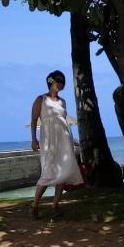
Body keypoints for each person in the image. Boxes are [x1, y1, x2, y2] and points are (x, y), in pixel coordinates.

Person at [30, 70, 84, 217]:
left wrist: (72, 139)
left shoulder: (62, 102)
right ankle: (34, 206)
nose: (61, 84)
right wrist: (34, 139)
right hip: (49, 140)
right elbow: (34, 120)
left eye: (63, 81)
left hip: (64, 140)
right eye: (58, 80)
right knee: (47, 172)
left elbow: (63, 122)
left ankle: (55, 207)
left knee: (63, 172)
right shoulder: (41, 99)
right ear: (51, 81)